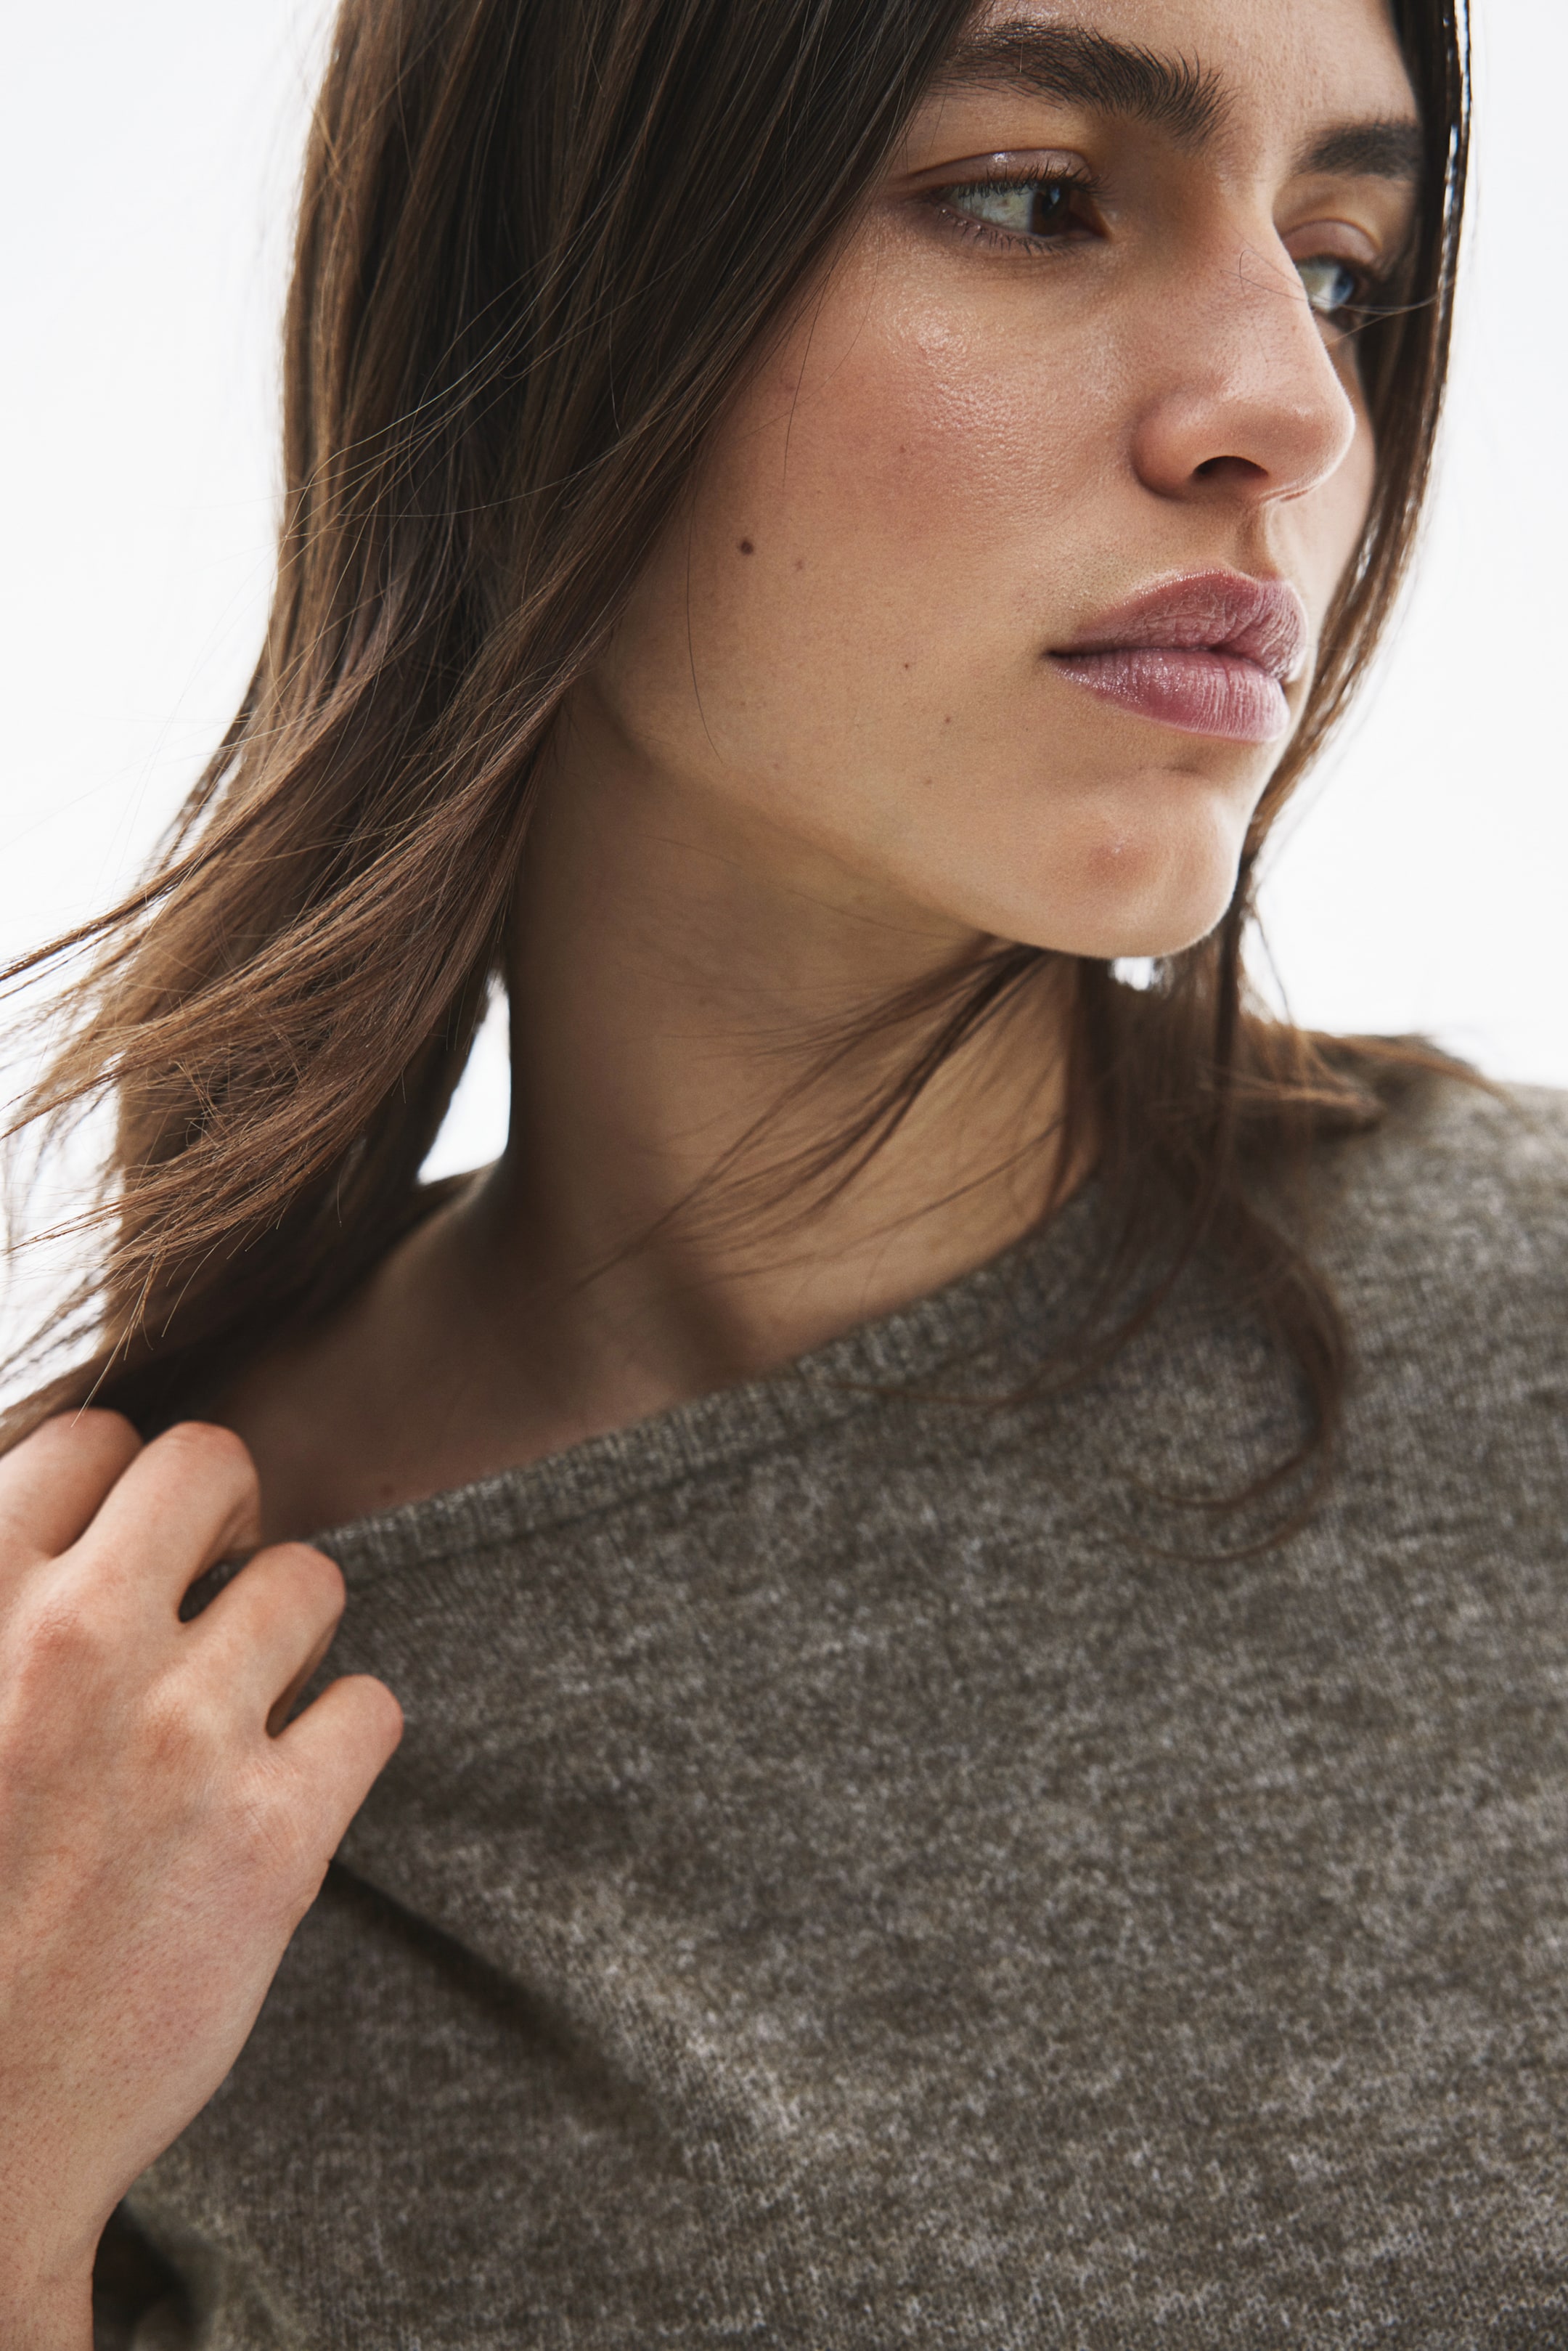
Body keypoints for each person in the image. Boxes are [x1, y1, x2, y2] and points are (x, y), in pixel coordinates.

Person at [3, 0, 1562, 2339]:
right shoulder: (102, 1744)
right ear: (540, 300)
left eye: (1343, 266)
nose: (1294, 407)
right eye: (1036, 202)